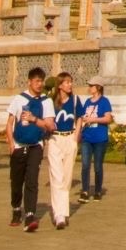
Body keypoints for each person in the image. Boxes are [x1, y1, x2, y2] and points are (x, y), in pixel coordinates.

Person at [6, 67, 55, 233]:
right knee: (16, 181)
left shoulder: (46, 102)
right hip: (19, 145)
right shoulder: (19, 99)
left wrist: (35, 120)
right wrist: (11, 144)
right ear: (29, 82)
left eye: (42, 81)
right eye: (37, 81)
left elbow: (49, 125)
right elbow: (10, 122)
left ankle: (30, 214)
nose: (40, 84)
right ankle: (16, 209)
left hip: (36, 145)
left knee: (32, 180)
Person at [46, 72, 83, 230]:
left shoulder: (75, 101)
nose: (70, 85)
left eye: (71, 82)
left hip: (70, 139)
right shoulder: (51, 102)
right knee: (57, 177)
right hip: (55, 139)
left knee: (66, 178)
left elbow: (80, 117)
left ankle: (63, 209)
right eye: (67, 82)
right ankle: (59, 214)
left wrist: (76, 135)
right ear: (60, 85)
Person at [78, 78, 113, 203]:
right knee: (85, 165)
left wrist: (94, 120)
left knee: (97, 166)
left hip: (99, 138)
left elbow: (108, 118)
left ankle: (98, 190)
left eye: (92, 85)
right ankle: (85, 190)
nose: (90, 87)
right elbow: (82, 116)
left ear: (98, 87)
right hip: (87, 137)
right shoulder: (87, 101)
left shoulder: (104, 102)